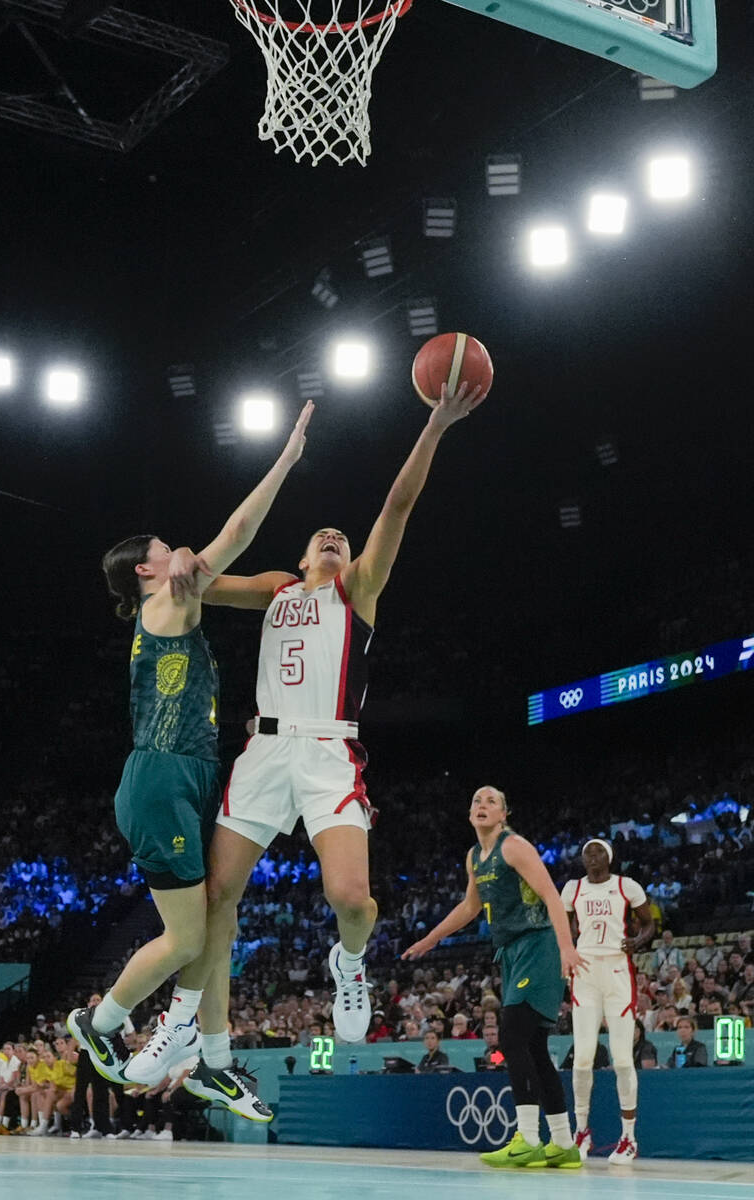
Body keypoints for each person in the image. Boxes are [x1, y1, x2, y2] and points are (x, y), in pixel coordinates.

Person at [157, 381, 486, 1109]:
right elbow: (205, 583)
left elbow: (397, 506)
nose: (334, 538)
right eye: (322, 537)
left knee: (352, 898)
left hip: (331, 753)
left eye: (340, 537)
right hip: (265, 755)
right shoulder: (277, 588)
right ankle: (198, 1036)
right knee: (215, 898)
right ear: (305, 555)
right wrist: (184, 559)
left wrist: (434, 426)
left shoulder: (358, 589)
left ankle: (351, 959)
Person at [67, 403, 314, 1123]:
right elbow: (237, 534)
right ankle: (102, 1022)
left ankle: (212, 1059)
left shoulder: (175, 603)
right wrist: (288, 459)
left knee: (218, 921)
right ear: (146, 568)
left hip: (193, 772)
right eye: (166, 545)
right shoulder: (167, 599)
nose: (181, 549)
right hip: (162, 779)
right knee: (188, 936)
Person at [402, 785, 587, 1170]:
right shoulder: (475, 857)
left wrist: (567, 949)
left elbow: (553, 897)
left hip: (539, 945)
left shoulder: (514, 846)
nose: (482, 806)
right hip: (513, 953)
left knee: (511, 1036)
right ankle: (564, 1144)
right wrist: (431, 938)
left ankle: (528, 1139)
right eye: (476, 801)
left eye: (491, 801)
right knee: (535, 1047)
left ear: (504, 814)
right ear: (470, 815)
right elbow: (471, 905)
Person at [560, 838, 654, 1164]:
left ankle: (628, 1137)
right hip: (584, 973)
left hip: (616, 971)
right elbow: (564, 927)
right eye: (587, 852)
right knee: (582, 1057)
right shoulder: (572, 889)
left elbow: (650, 922)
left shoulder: (627, 886)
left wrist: (638, 940)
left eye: (598, 851)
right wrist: (566, 950)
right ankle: (581, 1131)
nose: (592, 856)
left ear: (609, 858)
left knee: (623, 1059)